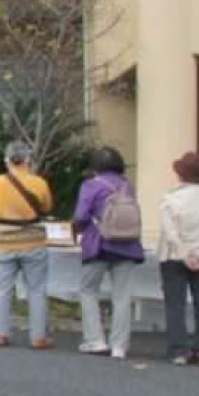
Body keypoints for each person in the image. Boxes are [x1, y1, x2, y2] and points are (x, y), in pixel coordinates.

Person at [70, 147, 145, 360]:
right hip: (128, 245)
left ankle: (95, 340)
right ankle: (119, 346)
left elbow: (81, 216)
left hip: (98, 245)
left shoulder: (91, 185)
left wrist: (78, 231)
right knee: (122, 296)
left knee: (88, 290)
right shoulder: (126, 186)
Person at [0, 141, 54, 350]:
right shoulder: (39, 183)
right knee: (36, 290)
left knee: (2, 289)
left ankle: (0, 334)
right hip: (33, 242)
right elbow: (46, 206)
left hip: (5, 243)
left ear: (7, 160)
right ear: (27, 160)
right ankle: (38, 337)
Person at [157, 151, 199, 366]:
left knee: (175, 303)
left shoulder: (170, 199)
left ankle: (179, 350)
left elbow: (170, 233)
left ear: (181, 175)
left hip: (173, 257)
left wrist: (185, 255)